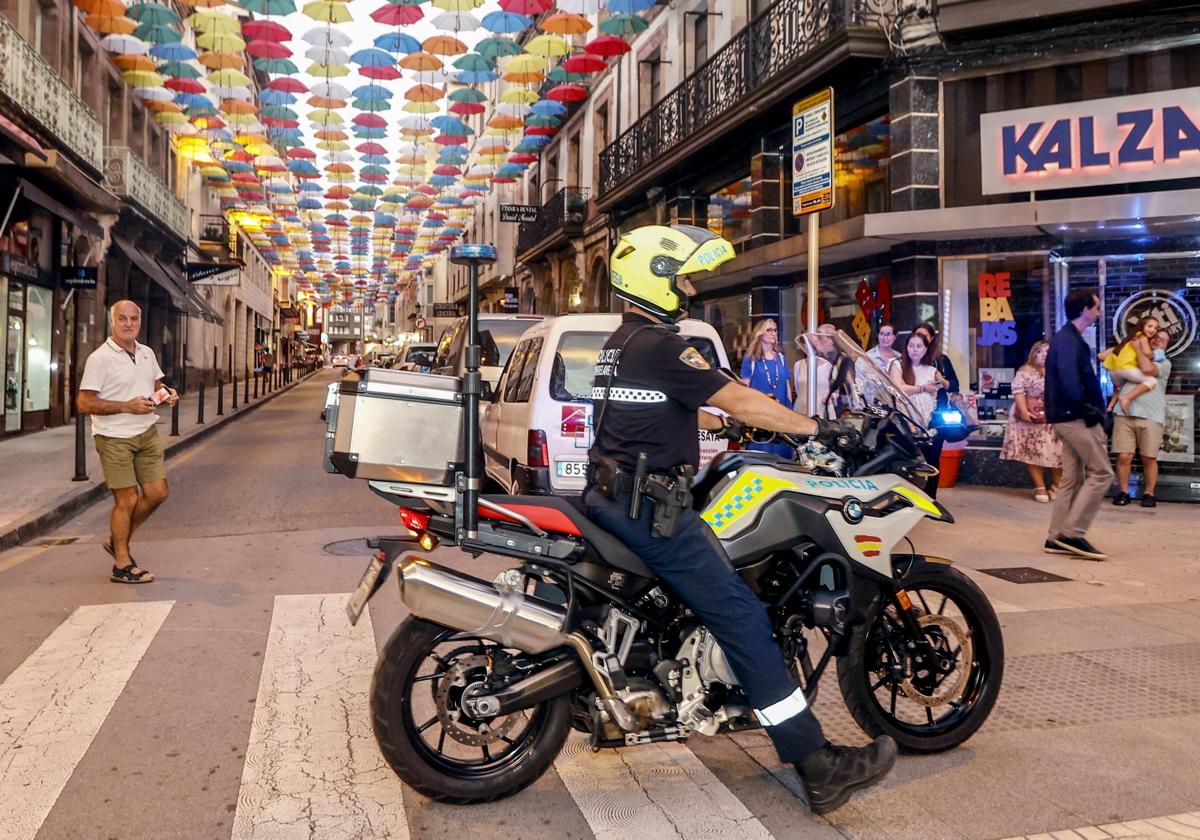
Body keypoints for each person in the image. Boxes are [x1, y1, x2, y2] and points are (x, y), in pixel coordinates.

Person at [587, 224, 896, 815]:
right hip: (650, 509)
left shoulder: (623, 342)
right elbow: (739, 396)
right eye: (680, 276)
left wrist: (714, 427)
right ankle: (818, 764)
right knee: (743, 615)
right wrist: (819, 427)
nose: (687, 286)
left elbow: (651, 411)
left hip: (614, 496)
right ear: (656, 278)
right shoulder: (661, 344)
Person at [76, 300, 179, 583]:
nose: (129, 324)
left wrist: (167, 394)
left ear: (140, 322)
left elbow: (156, 385)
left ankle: (116, 539)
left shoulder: (146, 353)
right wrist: (126, 406)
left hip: (146, 432)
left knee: (158, 493)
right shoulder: (99, 359)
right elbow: (84, 402)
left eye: (134, 319)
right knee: (128, 498)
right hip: (114, 437)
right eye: (122, 318)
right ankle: (121, 563)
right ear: (113, 321)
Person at [1044, 288, 1112, 561]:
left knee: (1073, 478)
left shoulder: (1067, 338)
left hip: (1068, 416)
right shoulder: (1068, 341)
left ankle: (1055, 537)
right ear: (1085, 308)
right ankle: (1073, 533)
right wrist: (1092, 410)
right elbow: (1072, 383)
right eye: (1096, 307)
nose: (1099, 311)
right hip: (1074, 418)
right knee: (1102, 472)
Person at [1111, 328, 1171, 507]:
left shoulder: (1165, 363)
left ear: (1167, 346)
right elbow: (1117, 378)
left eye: (1163, 340)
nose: (1158, 341)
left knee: (1149, 457)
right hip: (1124, 413)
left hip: (1151, 415)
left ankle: (1149, 493)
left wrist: (1139, 349)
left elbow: (1148, 369)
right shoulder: (1131, 360)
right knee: (1124, 456)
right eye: (1156, 337)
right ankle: (1123, 491)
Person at [1000, 341, 1062, 503]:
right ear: (1034, 353)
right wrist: (1023, 410)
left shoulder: (1058, 370)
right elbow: (1018, 390)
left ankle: (1058, 484)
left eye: (1048, 352)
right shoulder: (1025, 370)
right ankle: (1039, 486)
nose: (1044, 355)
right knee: (1033, 451)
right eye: (1040, 352)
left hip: (1051, 415)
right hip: (1029, 417)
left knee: (1055, 451)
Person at [889, 330, 949, 495]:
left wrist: (938, 384)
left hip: (927, 421)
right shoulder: (897, 364)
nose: (914, 349)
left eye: (918, 346)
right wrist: (922, 388)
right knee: (905, 459)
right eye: (911, 345)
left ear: (925, 349)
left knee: (931, 460)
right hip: (904, 420)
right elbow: (898, 388)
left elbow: (945, 385)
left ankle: (931, 497)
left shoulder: (931, 370)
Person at [739, 319, 793, 457]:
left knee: (783, 453)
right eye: (769, 330)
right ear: (760, 333)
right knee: (762, 453)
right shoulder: (751, 358)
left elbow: (786, 385)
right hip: (760, 415)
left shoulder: (780, 357)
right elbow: (744, 385)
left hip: (781, 414)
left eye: (775, 330)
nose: (773, 333)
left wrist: (790, 410)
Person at [1099, 316, 1160, 414]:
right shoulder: (1142, 337)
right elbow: (1147, 353)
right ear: (1142, 326)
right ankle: (1126, 398)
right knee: (1151, 381)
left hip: (1114, 370)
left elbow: (1103, 355)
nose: (1153, 330)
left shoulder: (1131, 338)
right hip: (1126, 368)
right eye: (1150, 326)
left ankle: (1110, 406)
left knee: (1122, 387)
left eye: (1156, 328)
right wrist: (1153, 355)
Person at [792, 324, 837, 419]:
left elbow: (836, 390)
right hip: (802, 411)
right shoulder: (798, 365)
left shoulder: (828, 366)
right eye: (806, 343)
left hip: (823, 411)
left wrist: (830, 397)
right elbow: (798, 388)